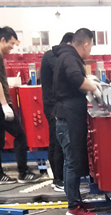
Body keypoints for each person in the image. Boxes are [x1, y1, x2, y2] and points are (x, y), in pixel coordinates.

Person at [52, 28, 101, 215]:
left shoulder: (66, 55)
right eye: (91, 47)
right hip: (67, 119)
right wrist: (94, 87)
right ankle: (73, 206)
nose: (90, 51)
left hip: (67, 116)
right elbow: (75, 78)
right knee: (71, 162)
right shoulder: (70, 57)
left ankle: (76, 200)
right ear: (86, 44)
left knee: (71, 160)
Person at [0, 26, 40, 184]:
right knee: (20, 136)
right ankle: (23, 173)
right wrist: (4, 105)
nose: (12, 47)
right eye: (11, 43)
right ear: (3, 40)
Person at [39, 32, 73, 193]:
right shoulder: (52, 57)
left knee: (55, 141)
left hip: (53, 104)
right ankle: (58, 179)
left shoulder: (52, 55)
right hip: (53, 106)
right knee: (57, 142)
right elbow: (66, 75)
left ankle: (59, 177)